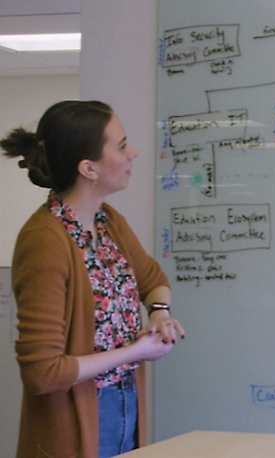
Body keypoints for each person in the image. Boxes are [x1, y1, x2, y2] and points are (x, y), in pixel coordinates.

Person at [1, 100, 185, 458]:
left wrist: (159, 312)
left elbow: (153, 279)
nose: (133, 153)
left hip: (124, 401)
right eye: (120, 146)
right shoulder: (45, 241)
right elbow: (43, 373)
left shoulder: (107, 220)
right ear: (88, 168)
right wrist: (134, 351)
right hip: (75, 419)